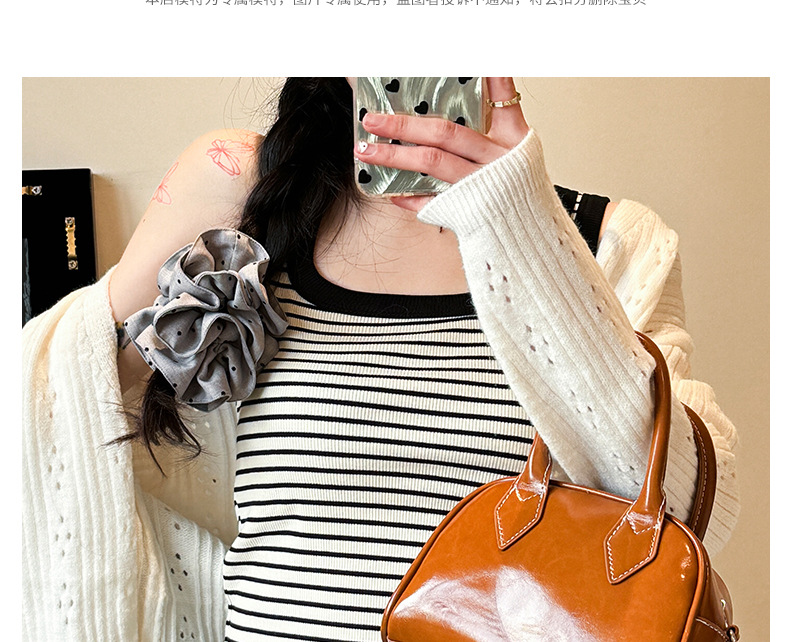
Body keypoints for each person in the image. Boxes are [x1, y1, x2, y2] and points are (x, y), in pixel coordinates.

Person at [22, 77, 740, 642]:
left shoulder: (612, 241)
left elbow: (688, 509)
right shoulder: (255, 203)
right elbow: (60, 391)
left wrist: (519, 223)